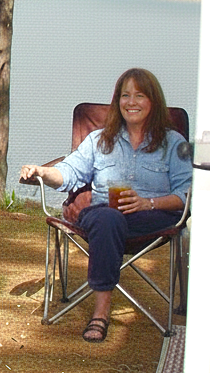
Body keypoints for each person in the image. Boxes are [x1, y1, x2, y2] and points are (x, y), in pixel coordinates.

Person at [19, 67, 192, 343]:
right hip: (102, 218)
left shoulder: (173, 143)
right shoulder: (99, 140)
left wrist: (147, 203)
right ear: (117, 101)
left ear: (153, 101)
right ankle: (101, 312)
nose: (131, 102)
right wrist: (41, 171)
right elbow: (69, 173)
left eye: (139, 95)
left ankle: (100, 314)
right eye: (125, 95)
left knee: (109, 223)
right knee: (107, 219)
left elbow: (186, 193)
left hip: (152, 218)